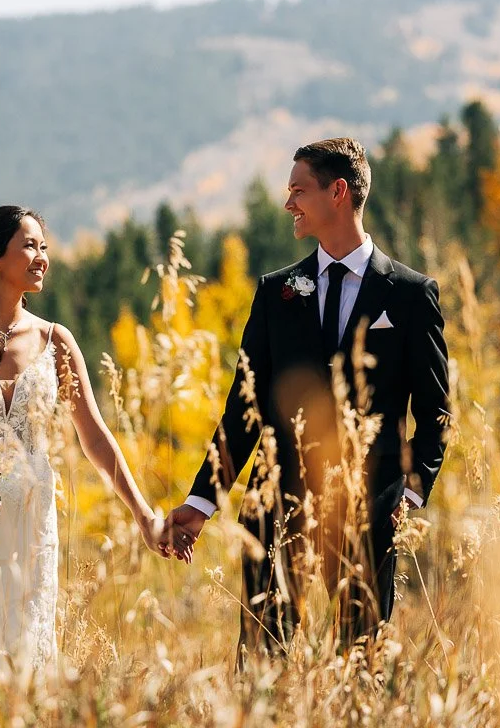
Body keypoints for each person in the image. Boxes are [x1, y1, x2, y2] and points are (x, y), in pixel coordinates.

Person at [163, 138, 451, 657]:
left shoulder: (410, 295)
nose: (288, 203)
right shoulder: (277, 292)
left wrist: (407, 496)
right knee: (262, 651)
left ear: (338, 192)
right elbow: (242, 409)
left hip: (370, 503)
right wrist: (202, 500)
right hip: (276, 497)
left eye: (298, 190)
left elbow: (436, 413)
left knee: (359, 655)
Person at [0, 205, 168, 673]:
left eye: (44, 247)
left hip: (30, 523)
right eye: (29, 245)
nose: (42, 256)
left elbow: (95, 436)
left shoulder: (56, 340)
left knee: (24, 653)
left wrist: (144, 515)